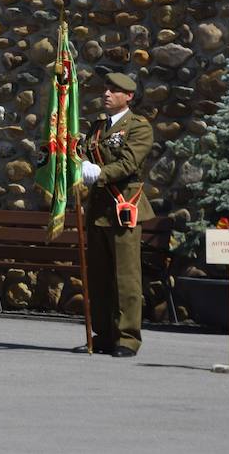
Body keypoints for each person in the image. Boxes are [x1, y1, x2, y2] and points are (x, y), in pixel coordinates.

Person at [80, 70, 154, 358]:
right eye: (105, 89)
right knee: (100, 276)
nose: (107, 94)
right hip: (98, 210)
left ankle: (128, 337)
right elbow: (85, 151)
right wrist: (80, 160)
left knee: (126, 277)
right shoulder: (97, 127)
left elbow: (128, 163)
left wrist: (98, 172)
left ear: (129, 96)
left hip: (123, 207)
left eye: (114, 90)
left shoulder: (139, 127)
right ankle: (105, 333)